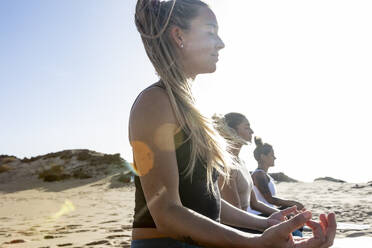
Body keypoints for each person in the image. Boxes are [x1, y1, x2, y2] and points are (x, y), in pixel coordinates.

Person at [130, 0, 336, 247]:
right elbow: (166, 213)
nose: (221, 43)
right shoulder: (155, 102)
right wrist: (254, 243)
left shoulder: (192, 109)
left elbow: (209, 201)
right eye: (210, 32)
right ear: (178, 36)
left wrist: (265, 224)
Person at [249, 137, 305, 214]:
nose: (275, 158)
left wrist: (292, 205)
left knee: (295, 210)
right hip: (259, 214)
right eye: (272, 155)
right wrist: (293, 203)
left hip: (268, 211)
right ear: (263, 157)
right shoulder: (259, 174)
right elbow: (270, 200)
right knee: (295, 208)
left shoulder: (264, 175)